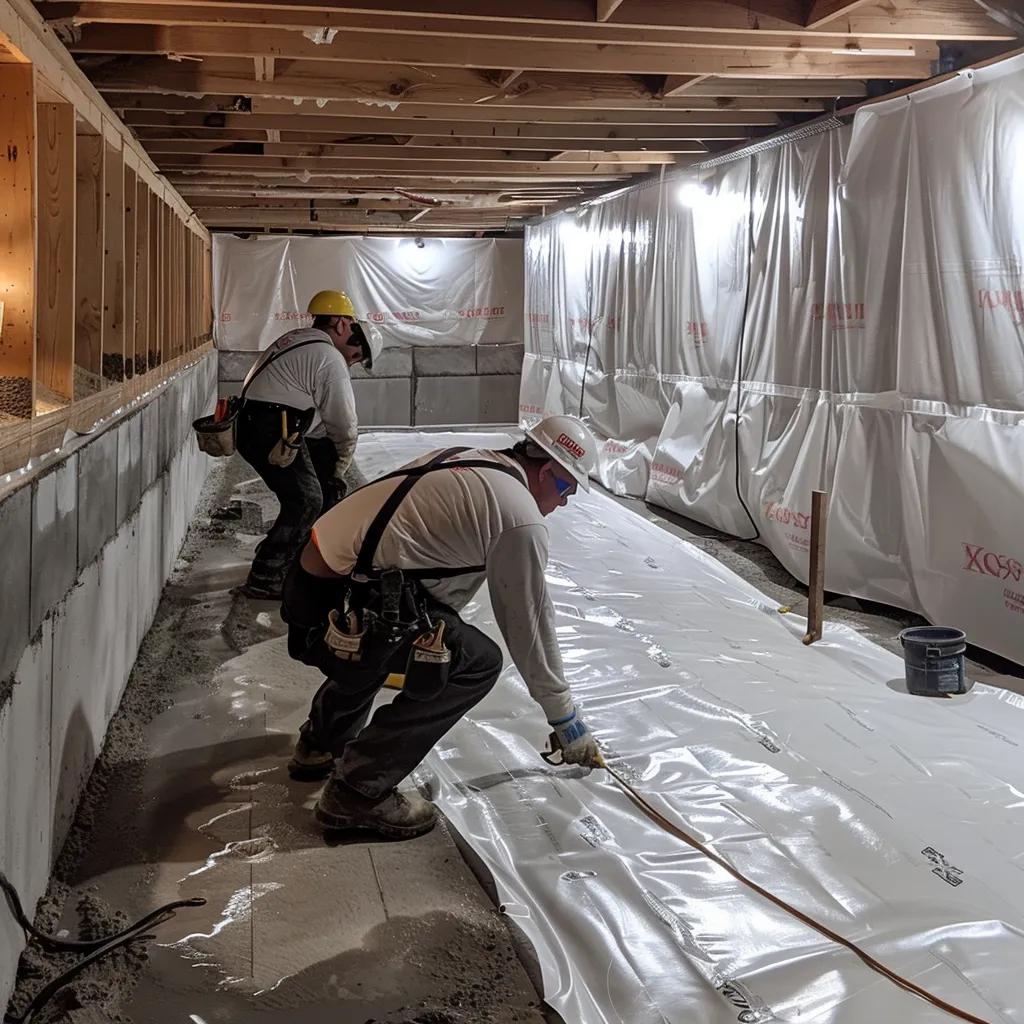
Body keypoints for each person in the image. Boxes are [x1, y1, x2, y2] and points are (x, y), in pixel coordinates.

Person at [280, 415, 603, 840]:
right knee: (475, 662)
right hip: (340, 611)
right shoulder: (520, 518)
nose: (563, 503)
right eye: (566, 489)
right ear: (546, 471)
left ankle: (321, 743)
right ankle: (357, 790)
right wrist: (565, 718)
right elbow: (529, 624)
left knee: (405, 629)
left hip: (313, 590)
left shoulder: (474, 461)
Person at [236, 290, 382, 600]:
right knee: (307, 500)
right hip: (271, 427)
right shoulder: (329, 357)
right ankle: (267, 575)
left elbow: (310, 418)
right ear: (342, 324)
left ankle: (292, 556)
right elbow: (344, 425)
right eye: (356, 356)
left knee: (313, 488)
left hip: (254, 424)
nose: (352, 362)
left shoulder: (298, 340)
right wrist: (340, 466)